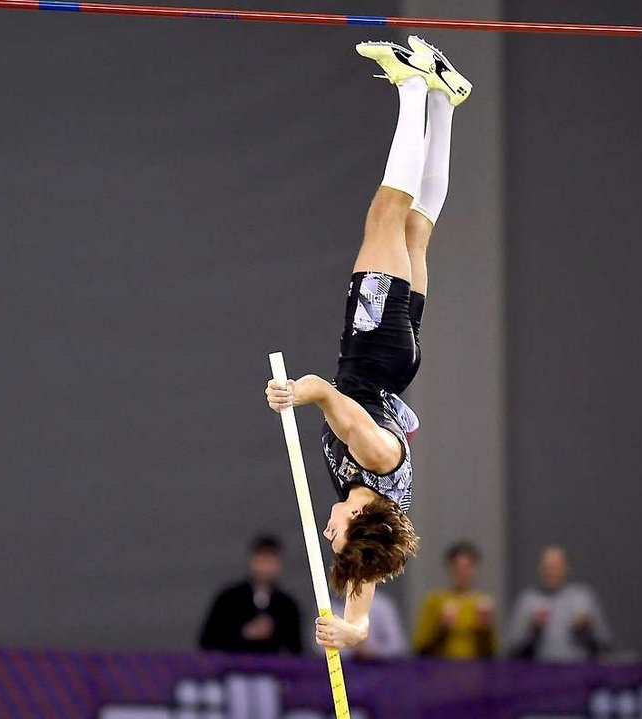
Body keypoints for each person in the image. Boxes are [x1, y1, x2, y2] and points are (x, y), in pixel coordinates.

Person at [264, 37, 472, 652]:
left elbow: (364, 577)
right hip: (374, 349)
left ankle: (446, 102)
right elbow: (330, 396)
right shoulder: (374, 457)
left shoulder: (371, 510)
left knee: (415, 231)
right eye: (337, 537)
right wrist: (296, 393)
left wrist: (353, 627)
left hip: (396, 363)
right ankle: (412, 87)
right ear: (357, 519)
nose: (328, 534)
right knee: (387, 213)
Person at [198, 534, 303, 654]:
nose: (266, 566)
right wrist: (244, 633)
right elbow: (207, 641)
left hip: (273, 671)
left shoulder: (287, 604)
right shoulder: (229, 598)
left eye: (271, 560)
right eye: (262, 559)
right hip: (232, 668)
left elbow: (295, 649)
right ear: (252, 561)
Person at [506, 545, 613, 662]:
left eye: (556, 567)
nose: (551, 572)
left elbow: (606, 641)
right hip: (539, 672)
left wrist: (588, 627)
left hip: (578, 671)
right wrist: (531, 629)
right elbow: (510, 647)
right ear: (540, 569)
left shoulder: (583, 597)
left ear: (566, 568)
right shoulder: (528, 600)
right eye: (547, 568)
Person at [413, 541, 498, 658]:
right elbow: (420, 647)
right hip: (441, 670)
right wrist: (442, 629)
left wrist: (485, 629)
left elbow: (492, 653)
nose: (462, 573)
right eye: (458, 567)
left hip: (475, 671)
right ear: (450, 568)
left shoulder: (482, 604)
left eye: (467, 567)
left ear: (474, 569)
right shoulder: (435, 601)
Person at [312, 589, 409, 660]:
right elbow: (318, 647)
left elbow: (398, 646)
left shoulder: (382, 605)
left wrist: (372, 652)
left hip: (379, 669)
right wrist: (351, 649)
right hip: (345, 668)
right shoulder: (328, 608)